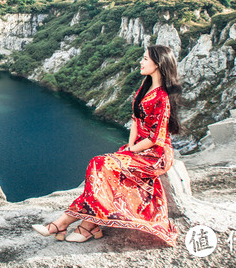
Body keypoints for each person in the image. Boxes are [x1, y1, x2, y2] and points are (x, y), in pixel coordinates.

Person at [32, 44, 181, 246]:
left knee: (99, 162)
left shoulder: (162, 97)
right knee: (100, 172)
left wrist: (132, 150)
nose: (141, 61)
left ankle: (67, 225)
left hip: (155, 155)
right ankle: (84, 226)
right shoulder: (145, 88)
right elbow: (135, 120)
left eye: (145, 59)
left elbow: (156, 138)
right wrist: (129, 146)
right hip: (137, 148)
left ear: (158, 64)